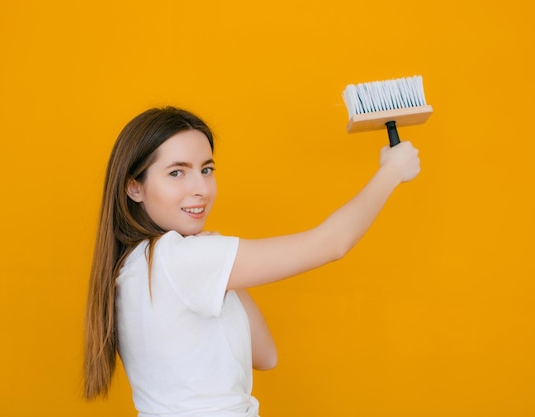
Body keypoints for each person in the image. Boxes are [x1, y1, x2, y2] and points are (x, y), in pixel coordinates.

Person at [83, 106, 420, 416]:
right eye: (176, 173)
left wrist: (226, 274)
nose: (201, 187)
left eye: (207, 169)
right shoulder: (176, 259)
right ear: (134, 188)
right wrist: (390, 172)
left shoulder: (139, 265)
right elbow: (331, 244)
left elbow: (265, 356)